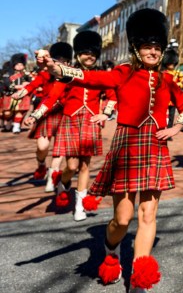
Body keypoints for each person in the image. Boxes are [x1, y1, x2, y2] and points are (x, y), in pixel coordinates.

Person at [46, 9, 183, 292]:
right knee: (122, 220)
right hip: (127, 147)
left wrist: (177, 127)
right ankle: (110, 251)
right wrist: (60, 70)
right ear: (137, 48)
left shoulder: (168, 81)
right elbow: (92, 79)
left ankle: (140, 278)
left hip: (155, 147)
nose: (153, 51)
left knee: (148, 215)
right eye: (147, 46)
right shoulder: (123, 73)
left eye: (157, 47)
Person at [38, 31, 117, 221]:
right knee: (71, 166)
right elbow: (53, 96)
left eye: (93, 53)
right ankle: (63, 183)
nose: (89, 56)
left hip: (90, 121)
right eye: (85, 52)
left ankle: (80, 205)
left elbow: (112, 97)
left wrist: (104, 113)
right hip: (71, 120)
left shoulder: (100, 75)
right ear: (78, 54)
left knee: (84, 166)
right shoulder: (68, 73)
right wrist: (36, 114)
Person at [18, 42, 72, 192]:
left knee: (59, 149)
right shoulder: (45, 74)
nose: (61, 63)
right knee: (42, 147)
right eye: (58, 60)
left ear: (68, 62)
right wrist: (21, 93)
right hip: (46, 111)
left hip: (65, 114)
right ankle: (41, 164)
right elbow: (32, 86)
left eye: (64, 61)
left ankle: (52, 174)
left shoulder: (72, 74)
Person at [2, 53, 32, 133]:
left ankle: (16, 126)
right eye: (17, 64)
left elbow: (31, 83)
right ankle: (9, 121)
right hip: (10, 95)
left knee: (19, 111)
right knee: (7, 112)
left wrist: (27, 84)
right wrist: (15, 87)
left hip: (22, 95)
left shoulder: (26, 74)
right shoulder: (7, 74)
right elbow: (6, 83)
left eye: (21, 64)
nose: (19, 66)